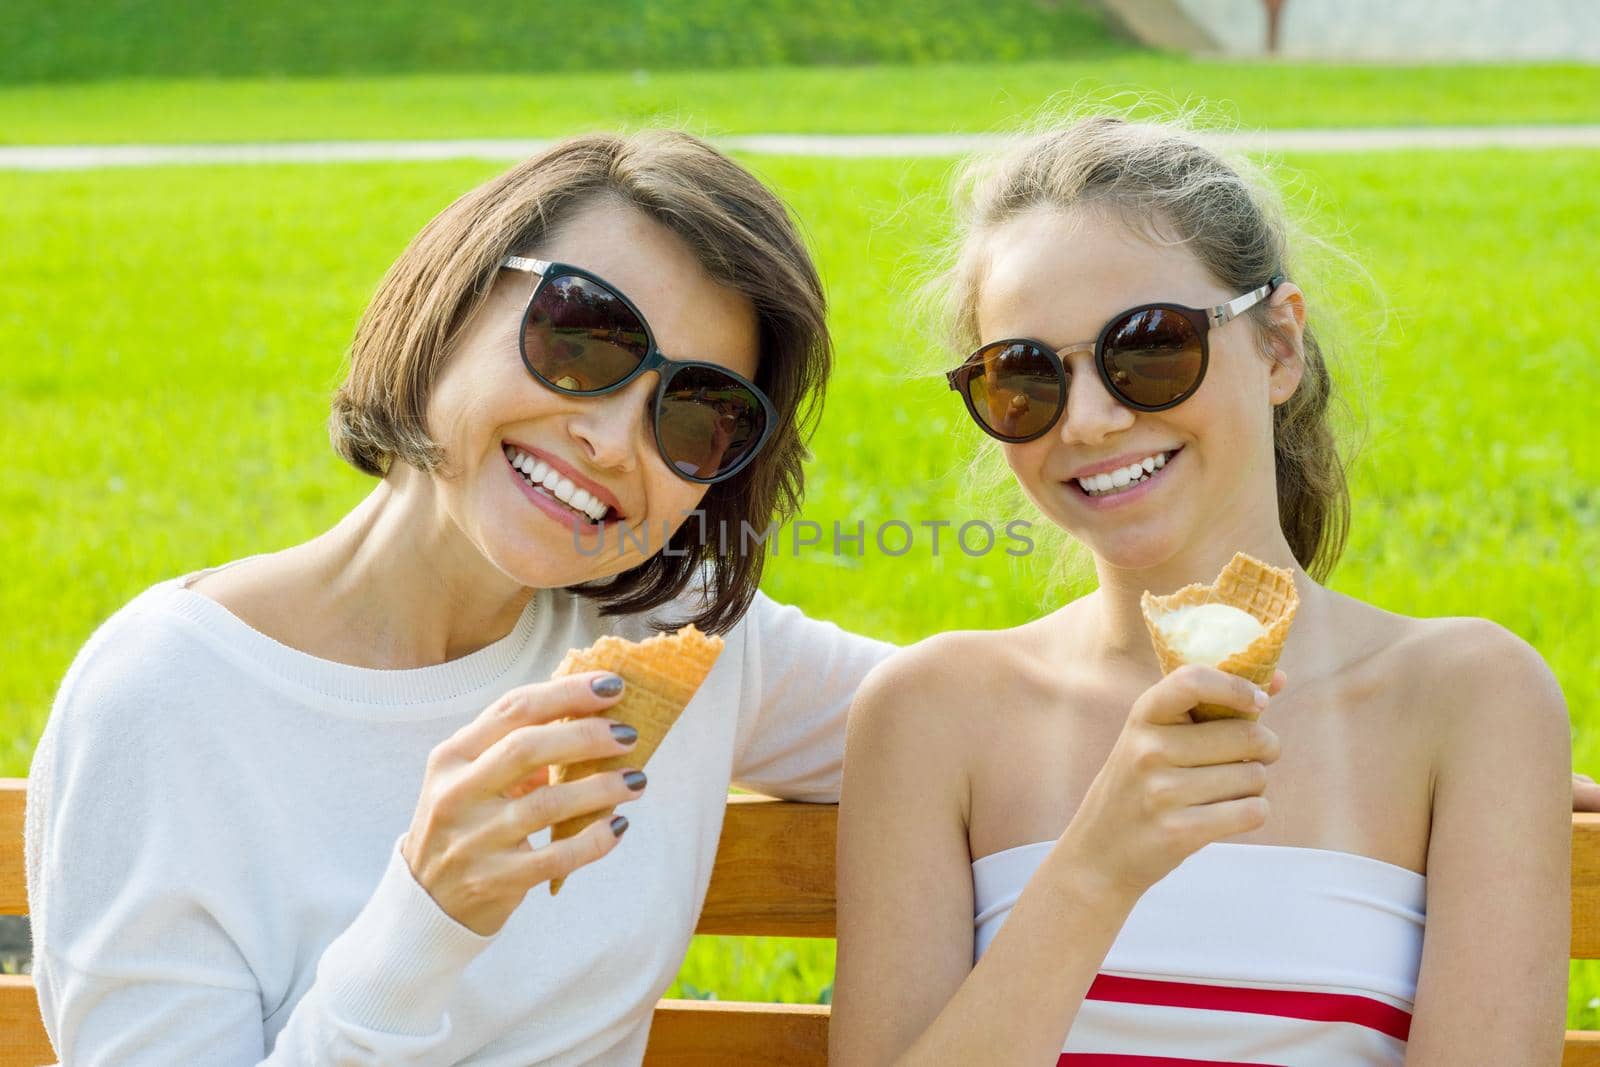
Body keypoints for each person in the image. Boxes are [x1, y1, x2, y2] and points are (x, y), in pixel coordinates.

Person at [23, 130, 895, 1065]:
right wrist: (427, 917)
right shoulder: (165, 702)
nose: (609, 438)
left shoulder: (677, 634)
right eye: (584, 335)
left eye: (695, 412)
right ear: (454, 302)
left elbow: (1004, 720)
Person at [830, 116, 1576, 1064]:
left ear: (1278, 347)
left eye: (1147, 349)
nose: (1093, 421)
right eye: (1024, 376)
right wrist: (1097, 868)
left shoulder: (1469, 701)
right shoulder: (929, 715)